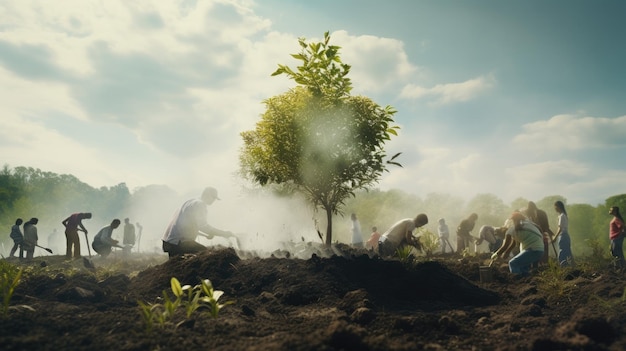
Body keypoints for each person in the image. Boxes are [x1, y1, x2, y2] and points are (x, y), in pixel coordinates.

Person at [162, 187, 234, 258]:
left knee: (177, 265)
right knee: (206, 255)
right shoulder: (200, 204)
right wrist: (223, 233)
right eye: (213, 198)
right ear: (207, 195)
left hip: (169, 242)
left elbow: (186, 226)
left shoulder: (190, 202)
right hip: (179, 242)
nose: (214, 200)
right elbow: (203, 226)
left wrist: (205, 235)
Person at [492, 212, 544, 276]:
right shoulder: (526, 224)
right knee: (522, 267)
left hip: (533, 250)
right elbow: (513, 244)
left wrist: (496, 254)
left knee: (513, 263)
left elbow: (505, 246)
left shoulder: (511, 230)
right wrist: (506, 253)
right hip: (539, 250)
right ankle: (526, 281)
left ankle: (517, 280)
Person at [553, 200, 573, 267]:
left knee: (562, 252)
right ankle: (571, 266)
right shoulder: (564, 215)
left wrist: (555, 237)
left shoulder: (561, 216)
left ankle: (563, 267)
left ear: (558, 207)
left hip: (563, 236)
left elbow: (560, 228)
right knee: (568, 252)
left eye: (555, 207)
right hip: (566, 236)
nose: (555, 209)